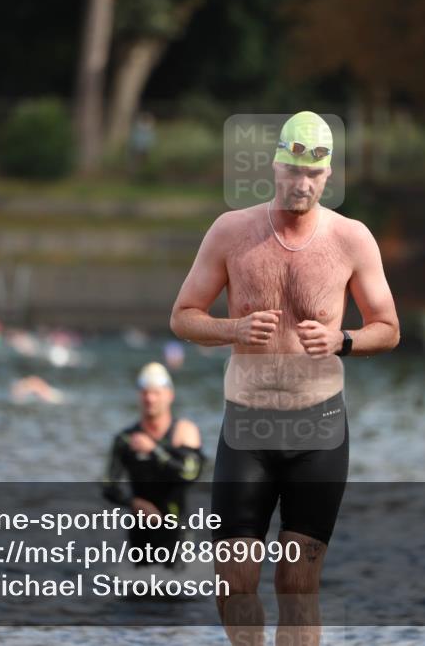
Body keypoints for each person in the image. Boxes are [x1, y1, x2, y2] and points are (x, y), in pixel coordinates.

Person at [170, 111, 399, 645]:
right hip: (247, 427)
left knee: (298, 581)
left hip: (318, 430)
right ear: (274, 167)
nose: (302, 184)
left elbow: (387, 328)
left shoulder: (351, 239)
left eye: (313, 174)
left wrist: (343, 340)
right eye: (293, 171)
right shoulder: (232, 232)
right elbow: (183, 315)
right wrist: (235, 328)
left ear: (328, 176)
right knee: (234, 578)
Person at [101, 362, 203, 568]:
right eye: (145, 393)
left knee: (176, 592)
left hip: (176, 529)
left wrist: (154, 451)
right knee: (138, 593)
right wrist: (134, 503)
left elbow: (190, 474)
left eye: (156, 393)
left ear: (169, 395)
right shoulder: (125, 439)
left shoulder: (183, 432)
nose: (150, 399)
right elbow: (108, 485)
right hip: (140, 533)